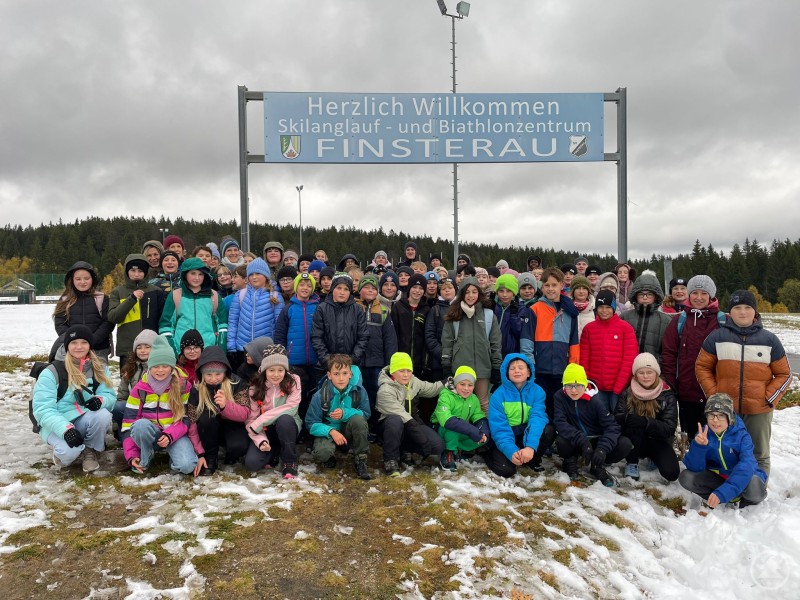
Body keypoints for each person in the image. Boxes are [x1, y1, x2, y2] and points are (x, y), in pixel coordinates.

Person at [695, 289, 791, 477]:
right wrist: (715, 395)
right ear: (730, 312)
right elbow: (702, 367)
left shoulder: (769, 339)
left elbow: (784, 374)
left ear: (755, 311)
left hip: (759, 410)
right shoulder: (717, 337)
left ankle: (756, 487)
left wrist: (768, 398)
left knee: (758, 453)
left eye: (748, 307)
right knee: (727, 449)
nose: (743, 312)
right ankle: (731, 485)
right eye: (737, 307)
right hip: (726, 410)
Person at [32, 325, 115, 473]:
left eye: (84, 342)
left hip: (83, 417)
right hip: (56, 423)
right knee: (68, 456)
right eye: (74, 343)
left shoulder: (99, 368)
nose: (79, 347)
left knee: (103, 415)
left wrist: (101, 401)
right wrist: (66, 430)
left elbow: (110, 396)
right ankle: (69, 450)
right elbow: (43, 409)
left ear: (90, 345)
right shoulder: (52, 372)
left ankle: (90, 450)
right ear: (67, 345)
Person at [121, 335, 197, 475]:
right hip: (150, 435)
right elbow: (128, 424)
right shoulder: (140, 388)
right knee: (140, 425)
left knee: (187, 466)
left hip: (174, 434)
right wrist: (131, 455)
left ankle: (174, 458)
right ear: (150, 366)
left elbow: (186, 419)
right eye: (156, 366)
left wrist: (170, 436)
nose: (160, 370)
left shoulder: (183, 386)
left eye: (165, 366)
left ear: (172, 366)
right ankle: (147, 453)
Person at [661, 275, 723, 439]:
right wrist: (670, 382)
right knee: (691, 436)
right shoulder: (679, 321)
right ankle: (694, 462)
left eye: (704, 293)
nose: (699, 298)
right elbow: (668, 353)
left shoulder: (722, 321)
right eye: (695, 293)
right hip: (686, 390)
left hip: (714, 390)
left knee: (715, 434)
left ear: (711, 295)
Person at [679, 393, 767, 508]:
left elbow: (746, 466)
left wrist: (724, 492)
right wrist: (699, 447)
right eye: (711, 415)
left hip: (742, 480)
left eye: (721, 415)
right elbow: (694, 468)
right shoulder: (703, 435)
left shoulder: (742, 436)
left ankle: (744, 506)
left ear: (729, 417)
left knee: (755, 486)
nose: (715, 421)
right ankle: (717, 500)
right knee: (686, 477)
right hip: (718, 480)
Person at [554, 364, 632, 486]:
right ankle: (570, 460)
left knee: (624, 444)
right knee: (561, 440)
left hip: (597, 440)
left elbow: (612, 427)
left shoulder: (595, 400)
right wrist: (582, 441)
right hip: (577, 441)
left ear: (585, 385)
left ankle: (597, 465)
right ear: (564, 385)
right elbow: (560, 422)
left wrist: (602, 448)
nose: (574, 390)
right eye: (569, 386)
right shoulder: (559, 397)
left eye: (578, 386)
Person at [520, 267, 579, 419]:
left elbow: (574, 343)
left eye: (554, 285)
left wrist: (572, 367)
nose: (551, 289)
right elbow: (526, 343)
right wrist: (530, 368)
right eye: (547, 285)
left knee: (560, 409)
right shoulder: (534, 309)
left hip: (562, 369)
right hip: (540, 370)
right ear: (542, 286)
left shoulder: (570, 312)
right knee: (540, 408)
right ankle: (542, 439)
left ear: (561, 285)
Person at [486, 354, 554, 477]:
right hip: (506, 436)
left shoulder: (537, 391)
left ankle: (532, 459)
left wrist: (530, 447)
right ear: (507, 373)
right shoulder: (498, 395)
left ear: (528, 372)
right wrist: (511, 451)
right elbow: (500, 428)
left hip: (525, 434)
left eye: (521, 367)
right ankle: (489, 453)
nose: (517, 371)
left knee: (548, 430)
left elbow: (537, 419)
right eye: (512, 368)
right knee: (506, 471)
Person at [305, 354, 372, 480]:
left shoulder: (359, 391)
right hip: (329, 432)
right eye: (336, 374)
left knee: (358, 420)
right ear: (329, 375)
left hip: (349, 429)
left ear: (350, 374)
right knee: (322, 454)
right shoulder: (320, 395)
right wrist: (331, 431)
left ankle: (361, 459)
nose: (341, 378)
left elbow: (366, 413)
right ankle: (332, 453)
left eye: (345, 373)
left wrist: (345, 413)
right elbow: (311, 423)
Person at [440, 277, 503, 413]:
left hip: (482, 367)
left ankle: (484, 433)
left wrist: (496, 365)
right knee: (461, 403)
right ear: (462, 294)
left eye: (474, 292)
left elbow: (495, 343)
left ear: (479, 293)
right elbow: (447, 341)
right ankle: (464, 432)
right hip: (461, 367)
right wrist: (446, 362)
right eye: (467, 292)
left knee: (483, 403)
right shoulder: (454, 316)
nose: (471, 296)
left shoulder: (488, 315)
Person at [376, 352, 445, 476]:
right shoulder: (385, 390)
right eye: (402, 371)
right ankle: (390, 460)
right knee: (395, 421)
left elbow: (431, 389)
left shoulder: (413, 381)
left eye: (409, 370)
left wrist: (447, 383)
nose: (406, 374)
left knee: (437, 445)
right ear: (393, 371)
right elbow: (403, 416)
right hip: (390, 427)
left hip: (410, 424)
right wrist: (422, 440)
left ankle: (405, 449)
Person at [614, 353, 679, 482]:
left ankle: (654, 457)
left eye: (649, 372)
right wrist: (627, 419)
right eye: (641, 372)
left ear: (656, 373)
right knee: (634, 422)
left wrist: (647, 422)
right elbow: (617, 416)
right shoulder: (628, 392)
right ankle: (632, 463)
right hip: (633, 438)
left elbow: (669, 428)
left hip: (658, 439)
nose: (645, 376)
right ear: (635, 374)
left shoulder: (667, 394)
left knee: (671, 473)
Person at [188, 346, 250, 476]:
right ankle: (211, 458)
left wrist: (225, 406)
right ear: (202, 374)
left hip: (232, 424)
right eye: (208, 374)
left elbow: (245, 413)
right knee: (206, 418)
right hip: (209, 428)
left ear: (225, 372)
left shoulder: (237, 383)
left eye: (218, 374)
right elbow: (193, 421)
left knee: (238, 446)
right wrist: (200, 452)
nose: (213, 378)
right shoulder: (197, 389)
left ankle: (231, 453)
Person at [245, 344, 302, 479]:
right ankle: (274, 450)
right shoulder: (255, 387)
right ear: (264, 370)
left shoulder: (294, 381)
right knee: (252, 463)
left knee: (284, 419)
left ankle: (289, 462)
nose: (276, 375)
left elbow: (291, 407)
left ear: (285, 370)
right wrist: (261, 440)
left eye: (280, 370)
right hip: (266, 430)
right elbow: (251, 419)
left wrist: (261, 420)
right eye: (271, 370)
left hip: (288, 426)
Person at [579, 290, 638, 412]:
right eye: (601, 307)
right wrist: (588, 384)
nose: (604, 311)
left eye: (608, 307)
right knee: (600, 421)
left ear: (614, 308)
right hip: (596, 388)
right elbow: (584, 359)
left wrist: (619, 387)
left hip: (618, 388)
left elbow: (629, 360)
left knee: (617, 421)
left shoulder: (625, 329)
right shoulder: (589, 329)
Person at [274, 272, 320, 426]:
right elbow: (280, 335)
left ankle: (311, 425)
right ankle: (296, 425)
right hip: (294, 361)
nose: (305, 288)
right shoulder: (288, 309)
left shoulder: (319, 308)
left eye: (308, 285)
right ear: (296, 286)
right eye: (302, 284)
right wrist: (283, 357)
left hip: (315, 360)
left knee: (313, 395)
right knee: (295, 395)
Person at [158, 256, 228, 356]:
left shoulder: (214, 296)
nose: (197, 278)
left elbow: (222, 326)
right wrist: (173, 351)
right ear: (185, 275)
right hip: (181, 352)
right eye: (193, 273)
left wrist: (220, 350)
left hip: (208, 351)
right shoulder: (175, 296)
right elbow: (166, 326)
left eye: (201, 274)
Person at [355, 274, 398, 433]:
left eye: (373, 288)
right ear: (360, 290)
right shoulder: (353, 307)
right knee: (359, 395)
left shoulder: (384, 310)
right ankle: (360, 427)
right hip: (357, 361)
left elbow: (390, 340)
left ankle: (375, 427)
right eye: (366, 287)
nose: (370, 290)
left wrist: (389, 364)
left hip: (377, 362)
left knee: (376, 396)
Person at [108, 253, 166, 368]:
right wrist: (132, 299)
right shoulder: (118, 292)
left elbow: (163, 320)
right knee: (127, 383)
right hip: (127, 349)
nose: (136, 274)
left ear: (145, 272)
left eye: (140, 271)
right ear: (126, 272)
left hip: (152, 348)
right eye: (132, 271)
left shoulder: (156, 291)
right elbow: (113, 317)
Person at [227, 258, 284, 372]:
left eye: (258, 273)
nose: (254, 277)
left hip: (265, 350)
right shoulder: (241, 295)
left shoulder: (275, 296)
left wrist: (276, 347)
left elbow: (279, 326)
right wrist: (231, 346)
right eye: (251, 274)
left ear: (266, 275)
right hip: (242, 348)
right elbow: (233, 321)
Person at [53, 261, 115, 363]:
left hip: (98, 349)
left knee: (100, 378)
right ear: (72, 280)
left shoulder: (102, 298)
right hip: (74, 350)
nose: (82, 282)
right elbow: (60, 323)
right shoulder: (65, 300)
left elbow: (108, 322)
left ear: (93, 279)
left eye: (87, 278)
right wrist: (73, 341)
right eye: (78, 279)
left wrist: (92, 340)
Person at [310, 272, 369, 380]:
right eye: (339, 288)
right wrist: (327, 360)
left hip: (351, 366)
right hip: (326, 366)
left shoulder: (357, 310)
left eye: (346, 289)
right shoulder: (321, 309)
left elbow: (363, 337)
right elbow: (316, 337)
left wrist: (353, 359)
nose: (342, 292)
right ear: (333, 289)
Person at [431, 366, 490, 471]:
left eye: (470, 385)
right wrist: (473, 431)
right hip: (441, 429)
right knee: (453, 431)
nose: (466, 388)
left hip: (460, 429)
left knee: (484, 437)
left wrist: (483, 432)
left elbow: (479, 416)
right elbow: (447, 421)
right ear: (455, 383)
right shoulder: (446, 395)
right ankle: (448, 453)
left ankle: (457, 450)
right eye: (462, 384)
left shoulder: (473, 399)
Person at [620, 270, 672, 362]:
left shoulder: (666, 320)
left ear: (656, 296)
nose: (645, 297)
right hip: (627, 368)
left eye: (649, 294)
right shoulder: (624, 317)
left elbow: (668, 352)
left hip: (654, 371)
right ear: (635, 296)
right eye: (641, 294)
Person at [114, 329, 156, 438]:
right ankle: (125, 435)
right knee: (118, 407)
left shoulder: (160, 368)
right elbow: (122, 395)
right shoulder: (130, 368)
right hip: (133, 408)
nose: (143, 350)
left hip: (153, 410)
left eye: (147, 347)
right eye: (139, 347)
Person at [391, 274, 431, 379]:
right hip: (401, 361)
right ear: (409, 288)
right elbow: (393, 335)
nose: (417, 291)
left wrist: (425, 361)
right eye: (414, 287)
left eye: (421, 288)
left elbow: (428, 336)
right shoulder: (398, 307)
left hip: (419, 362)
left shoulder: (427, 309)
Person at [425, 276, 456, 382]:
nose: (447, 290)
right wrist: (442, 354)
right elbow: (430, 335)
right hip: (439, 363)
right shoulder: (435, 310)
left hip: (460, 361)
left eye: (450, 288)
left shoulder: (462, 308)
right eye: (443, 289)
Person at [492, 274, 522, 358]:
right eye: (501, 291)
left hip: (512, 353)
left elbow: (520, 332)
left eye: (508, 291)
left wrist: (514, 315)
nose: (504, 295)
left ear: (514, 292)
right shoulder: (494, 306)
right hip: (493, 352)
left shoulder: (520, 308)